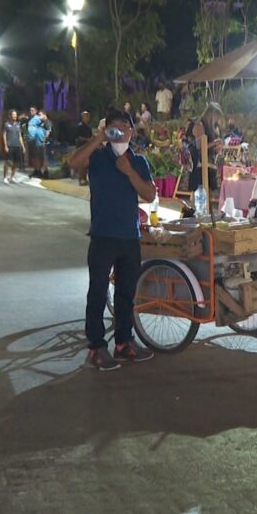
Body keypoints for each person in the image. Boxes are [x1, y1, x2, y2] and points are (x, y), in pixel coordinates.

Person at [69, 109, 158, 371]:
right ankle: (96, 347)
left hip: (130, 237)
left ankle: (124, 343)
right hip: (103, 236)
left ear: (132, 131)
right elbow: (74, 163)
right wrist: (99, 139)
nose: (120, 132)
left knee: (126, 294)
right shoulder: (98, 157)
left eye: (125, 127)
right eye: (114, 127)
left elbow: (150, 194)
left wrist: (130, 172)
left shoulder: (138, 161)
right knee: (97, 292)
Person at [187, 103, 224, 193]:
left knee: (209, 191)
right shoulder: (199, 125)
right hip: (199, 164)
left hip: (209, 162)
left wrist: (217, 147)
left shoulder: (213, 127)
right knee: (200, 192)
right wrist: (214, 143)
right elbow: (199, 146)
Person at [3, 110, 24, 184]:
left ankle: (12, 177)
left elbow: (20, 136)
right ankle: (5, 177)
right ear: (10, 116)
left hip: (17, 146)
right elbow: (4, 135)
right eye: (13, 114)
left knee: (16, 163)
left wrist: (23, 146)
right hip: (10, 145)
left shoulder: (18, 125)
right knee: (8, 162)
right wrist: (5, 145)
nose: (15, 116)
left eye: (15, 114)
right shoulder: (6, 124)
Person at [26, 109, 47, 178]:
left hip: (41, 142)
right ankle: (36, 170)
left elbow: (47, 132)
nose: (30, 111)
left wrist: (44, 141)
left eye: (32, 110)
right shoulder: (32, 120)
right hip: (33, 141)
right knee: (34, 157)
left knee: (40, 157)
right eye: (30, 110)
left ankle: (41, 171)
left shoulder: (45, 122)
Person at [75, 110, 94, 185]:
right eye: (86, 116)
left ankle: (84, 178)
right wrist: (87, 139)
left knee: (86, 163)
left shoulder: (88, 127)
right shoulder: (80, 126)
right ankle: (81, 179)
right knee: (81, 164)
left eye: (88, 116)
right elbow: (78, 137)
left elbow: (90, 135)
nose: (88, 118)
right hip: (81, 146)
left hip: (88, 147)